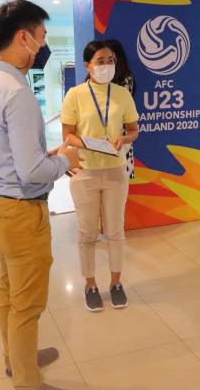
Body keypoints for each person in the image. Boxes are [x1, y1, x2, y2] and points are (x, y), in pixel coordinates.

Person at [0, 0, 81, 390]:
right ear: (24, 37)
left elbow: (13, 154)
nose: (44, 44)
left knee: (8, 290)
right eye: (42, 36)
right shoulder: (17, 91)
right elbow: (31, 172)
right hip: (20, 211)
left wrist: (46, 156)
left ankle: (15, 359)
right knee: (27, 305)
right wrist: (66, 159)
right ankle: (27, 381)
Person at [61, 40, 139, 312]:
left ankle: (116, 283)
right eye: (100, 61)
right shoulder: (75, 95)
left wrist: (123, 139)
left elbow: (133, 130)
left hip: (115, 170)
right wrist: (89, 144)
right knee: (87, 233)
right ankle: (90, 285)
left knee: (116, 231)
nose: (107, 65)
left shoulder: (122, 94)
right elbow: (68, 135)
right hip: (85, 171)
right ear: (88, 66)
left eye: (111, 61)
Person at [105, 39, 136, 178]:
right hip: (100, 137)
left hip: (120, 135)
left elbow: (120, 108)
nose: (107, 63)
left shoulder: (125, 79)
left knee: (120, 178)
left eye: (110, 58)